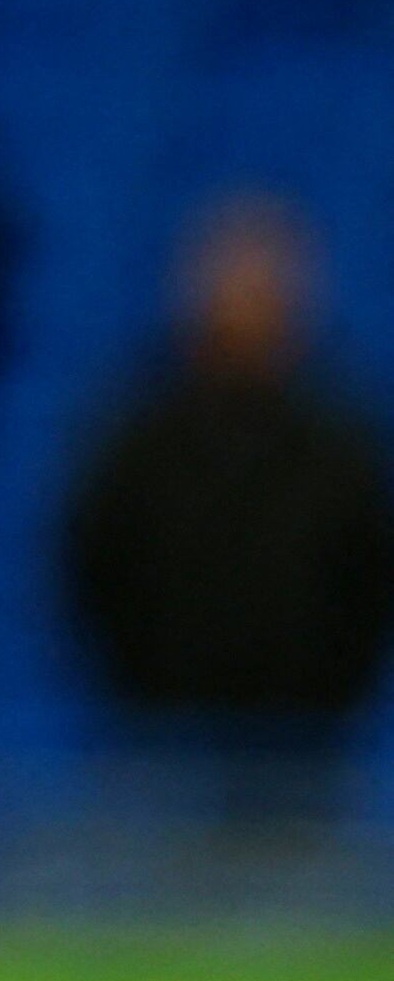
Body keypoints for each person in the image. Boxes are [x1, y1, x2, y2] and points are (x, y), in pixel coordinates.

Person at [60, 195, 394, 771]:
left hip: (305, 754)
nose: (246, 311)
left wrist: (325, 700)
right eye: (232, 290)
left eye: (264, 292)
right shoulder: (134, 447)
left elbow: (371, 586)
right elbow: (92, 572)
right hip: (160, 749)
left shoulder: (345, 453)